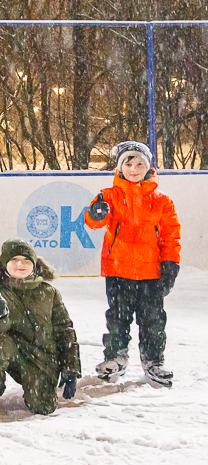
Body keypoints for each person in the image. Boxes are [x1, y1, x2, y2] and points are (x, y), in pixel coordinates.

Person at [83, 141, 181, 388]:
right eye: (129, 163)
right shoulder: (108, 195)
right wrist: (96, 212)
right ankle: (116, 358)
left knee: (153, 321)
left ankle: (154, 361)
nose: (134, 168)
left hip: (151, 273)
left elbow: (171, 235)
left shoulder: (162, 200)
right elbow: (93, 221)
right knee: (117, 319)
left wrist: (170, 265)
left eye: (140, 164)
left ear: (148, 167)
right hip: (118, 271)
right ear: (120, 166)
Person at [0, 240, 80, 415]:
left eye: (26, 260)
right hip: (15, 354)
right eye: (14, 259)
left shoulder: (49, 293)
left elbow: (65, 330)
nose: (20, 264)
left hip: (43, 360)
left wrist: (71, 368)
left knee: (43, 407)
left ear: (34, 263)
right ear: (3, 264)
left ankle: (39, 387)